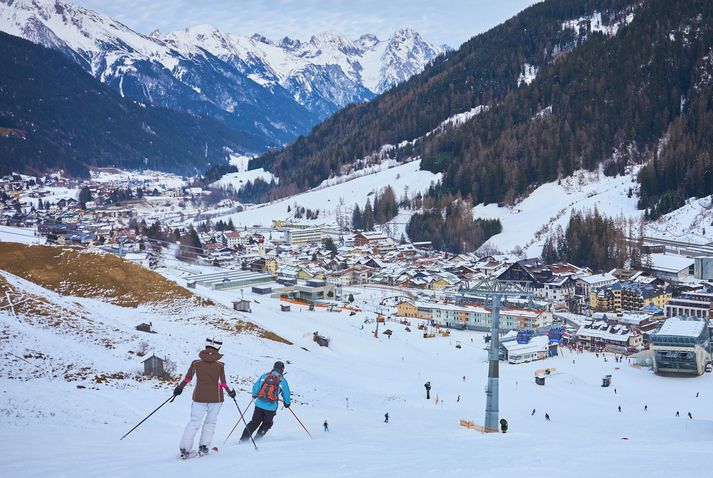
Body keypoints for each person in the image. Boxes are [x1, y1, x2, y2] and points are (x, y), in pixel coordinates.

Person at [174, 338, 236, 459]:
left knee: (194, 422)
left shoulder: (196, 363)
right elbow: (224, 383)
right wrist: (231, 393)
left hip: (199, 397)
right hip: (216, 399)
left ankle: (185, 449)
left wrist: (179, 388)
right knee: (210, 422)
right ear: (218, 348)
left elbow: (187, 378)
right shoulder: (220, 365)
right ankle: (204, 447)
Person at [240, 361, 291, 442]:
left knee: (254, 422)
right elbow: (286, 393)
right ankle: (257, 440)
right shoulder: (282, 380)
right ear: (282, 369)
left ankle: (243, 440)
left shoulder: (265, 376)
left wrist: (254, 395)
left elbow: (256, 387)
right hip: (271, 407)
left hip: (259, 404)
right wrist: (287, 403)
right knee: (267, 424)